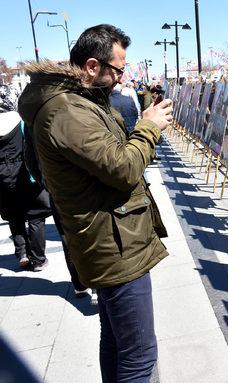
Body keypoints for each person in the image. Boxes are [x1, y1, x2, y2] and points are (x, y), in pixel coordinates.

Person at [18, 24, 173, 382]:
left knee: (118, 342)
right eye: (117, 70)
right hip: (113, 245)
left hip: (108, 237)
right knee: (139, 355)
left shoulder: (72, 103)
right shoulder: (67, 111)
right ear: (91, 66)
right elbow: (123, 167)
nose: (121, 79)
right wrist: (148, 127)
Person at [0, 85, 51, 271]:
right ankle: (38, 259)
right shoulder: (23, 122)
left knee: (14, 217)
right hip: (27, 176)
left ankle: (21, 253)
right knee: (36, 217)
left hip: (3, 181)